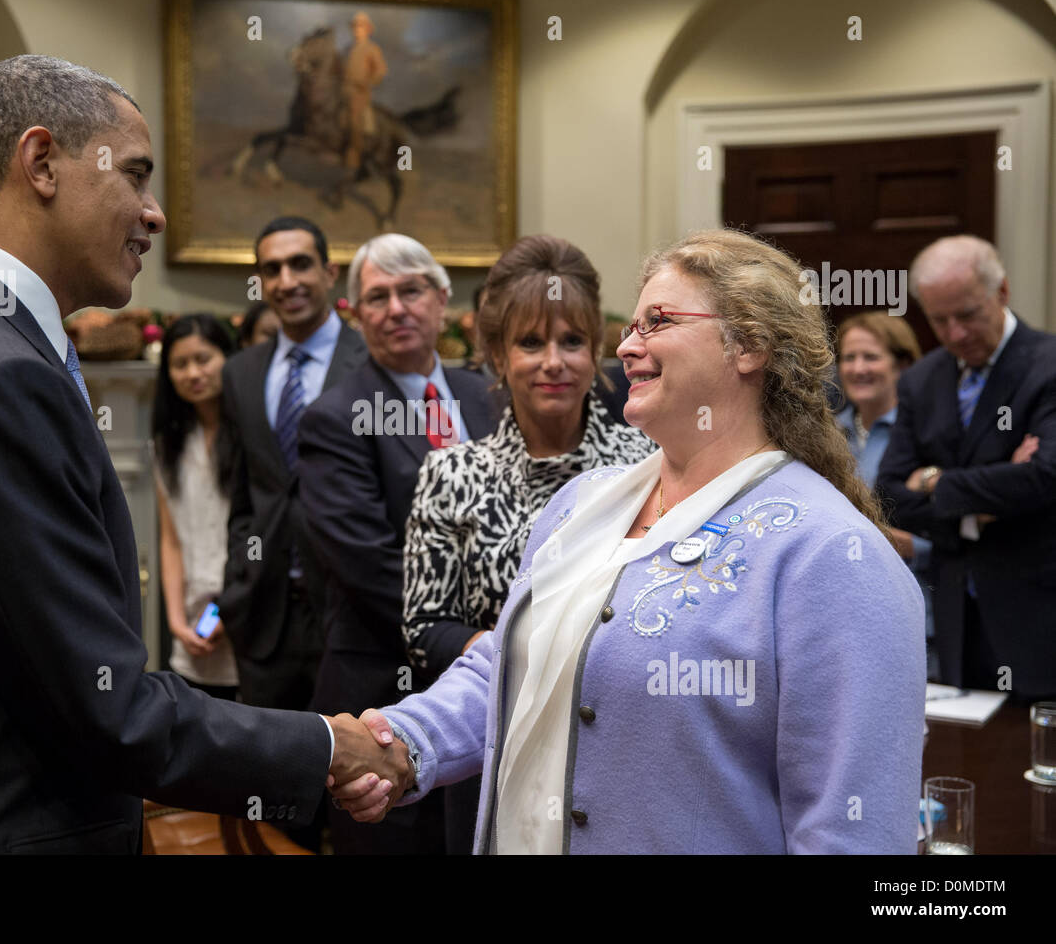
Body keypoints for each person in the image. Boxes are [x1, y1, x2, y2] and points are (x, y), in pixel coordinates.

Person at [0, 56, 407, 853]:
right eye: (135, 175)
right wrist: (327, 748)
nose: (154, 214)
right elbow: (107, 708)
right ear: (42, 162)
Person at [334, 228, 926, 854]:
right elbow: (511, 666)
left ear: (748, 345)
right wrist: (404, 741)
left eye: (656, 322)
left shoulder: (831, 552)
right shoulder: (581, 503)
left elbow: (850, 831)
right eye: (631, 326)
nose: (626, 346)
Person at [400, 235, 654, 852]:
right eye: (531, 343)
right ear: (496, 354)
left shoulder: (648, 465)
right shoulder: (452, 473)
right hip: (488, 741)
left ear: (597, 350)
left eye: (572, 342)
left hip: (617, 744)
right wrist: (521, 655)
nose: (554, 362)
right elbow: (423, 623)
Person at [297, 233, 499, 853]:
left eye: (411, 291)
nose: (396, 309)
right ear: (356, 316)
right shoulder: (336, 416)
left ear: (441, 301)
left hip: (491, 692)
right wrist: (471, 637)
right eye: (376, 297)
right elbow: (369, 563)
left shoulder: (487, 394)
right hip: (385, 693)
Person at [877, 235, 1056, 700]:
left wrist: (933, 481)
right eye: (940, 320)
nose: (956, 333)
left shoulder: (1047, 365)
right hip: (957, 617)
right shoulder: (922, 379)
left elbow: (1044, 479)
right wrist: (985, 504)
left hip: (1037, 616)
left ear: (1002, 293)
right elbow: (891, 494)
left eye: (968, 315)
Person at [218, 216, 367, 711]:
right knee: (268, 777)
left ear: (330, 272)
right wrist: (239, 577)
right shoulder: (241, 372)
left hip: (351, 612)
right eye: (272, 269)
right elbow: (243, 490)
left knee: (352, 776)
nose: (287, 281)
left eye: (300, 264)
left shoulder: (369, 363)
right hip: (263, 614)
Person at [833, 312, 937, 679]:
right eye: (849, 357)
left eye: (871, 357)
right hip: (838, 619)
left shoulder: (929, 435)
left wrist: (907, 545)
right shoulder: (822, 435)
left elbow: (961, 537)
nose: (858, 368)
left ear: (903, 365)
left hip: (914, 616)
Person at [152, 313, 240, 701]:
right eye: (179, 364)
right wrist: (175, 621)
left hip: (245, 614)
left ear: (228, 358)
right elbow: (171, 539)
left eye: (203, 359)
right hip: (192, 623)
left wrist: (222, 613)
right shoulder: (165, 445)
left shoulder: (251, 436)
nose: (192, 373)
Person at [343, 11, 387, 171]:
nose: (356, 29)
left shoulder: (372, 48)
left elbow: (381, 70)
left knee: (354, 120)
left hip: (359, 93)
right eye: (355, 26)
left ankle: (355, 157)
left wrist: (367, 83)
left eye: (360, 26)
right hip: (343, 89)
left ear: (367, 29)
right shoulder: (348, 48)